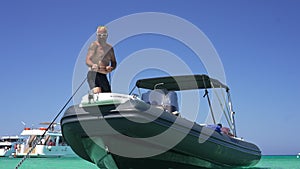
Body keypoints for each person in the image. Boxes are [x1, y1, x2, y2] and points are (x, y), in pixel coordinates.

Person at [86, 26, 117, 93]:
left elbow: (114, 62)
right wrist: (93, 64)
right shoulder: (94, 45)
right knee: (98, 92)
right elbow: (88, 60)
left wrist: (111, 68)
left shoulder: (110, 48)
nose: (101, 37)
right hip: (93, 74)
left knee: (108, 96)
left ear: (107, 35)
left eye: (103, 35)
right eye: (99, 35)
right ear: (97, 35)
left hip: (103, 76)